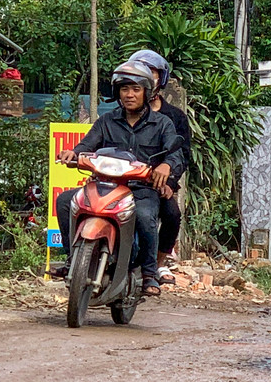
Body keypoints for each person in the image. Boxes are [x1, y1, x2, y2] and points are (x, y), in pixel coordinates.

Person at [55, 61, 180, 296]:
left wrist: (166, 165)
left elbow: (176, 154)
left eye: (136, 89)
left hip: (141, 190)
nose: (130, 95)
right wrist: (74, 153)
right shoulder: (106, 121)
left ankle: (150, 273)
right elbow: (87, 145)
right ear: (117, 93)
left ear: (147, 92)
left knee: (144, 216)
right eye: (124, 89)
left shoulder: (162, 124)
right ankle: (73, 260)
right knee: (65, 201)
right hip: (104, 186)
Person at [129, 49, 193, 284]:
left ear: (161, 78)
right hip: (124, 179)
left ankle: (155, 265)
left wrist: (170, 181)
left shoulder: (174, 118)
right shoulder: (122, 113)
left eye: (152, 71)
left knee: (172, 215)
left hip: (157, 184)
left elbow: (182, 153)